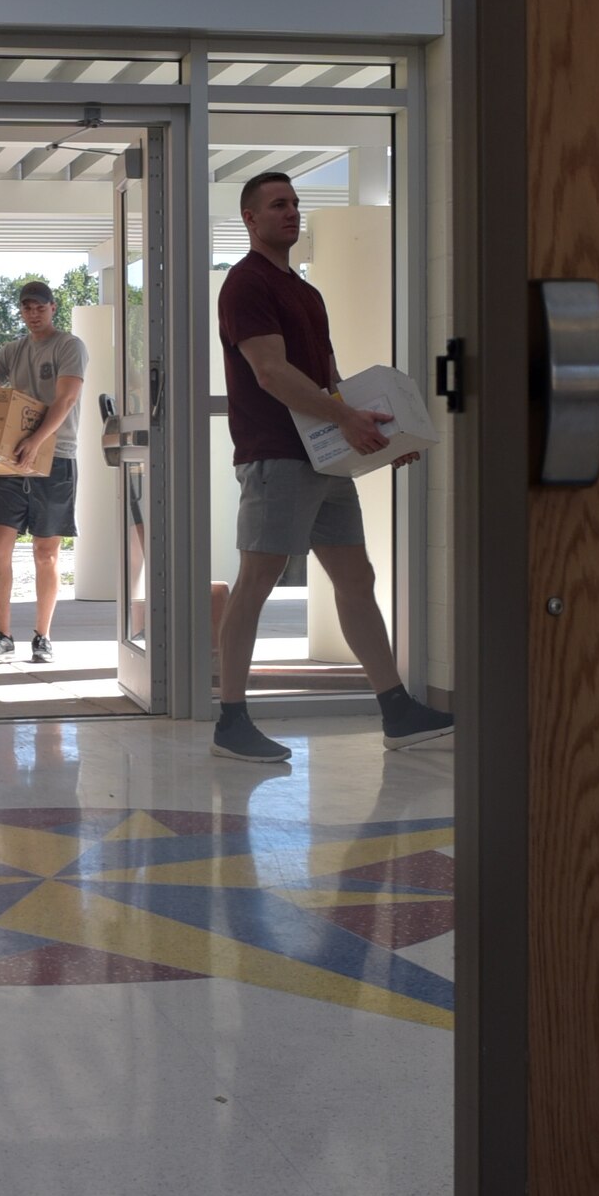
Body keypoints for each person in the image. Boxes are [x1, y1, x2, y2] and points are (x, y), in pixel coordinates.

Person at [214, 172, 454, 761]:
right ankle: (231, 719)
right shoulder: (246, 284)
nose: (291, 212)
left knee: (356, 580)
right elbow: (270, 372)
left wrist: (384, 434)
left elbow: (331, 383)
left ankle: (396, 710)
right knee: (256, 582)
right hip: (277, 455)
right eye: (277, 205)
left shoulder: (307, 292)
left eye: (295, 203)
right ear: (250, 218)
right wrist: (346, 422)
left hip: (323, 457)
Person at [0, 280, 88, 665]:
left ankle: (43, 637)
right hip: (8, 460)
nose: (33, 313)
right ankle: (2, 635)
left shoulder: (68, 346)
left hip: (55, 457)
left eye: (40, 306)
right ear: (21, 312)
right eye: (27, 307)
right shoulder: (12, 351)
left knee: (45, 552)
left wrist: (37, 440)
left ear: (53, 308)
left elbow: (67, 397)